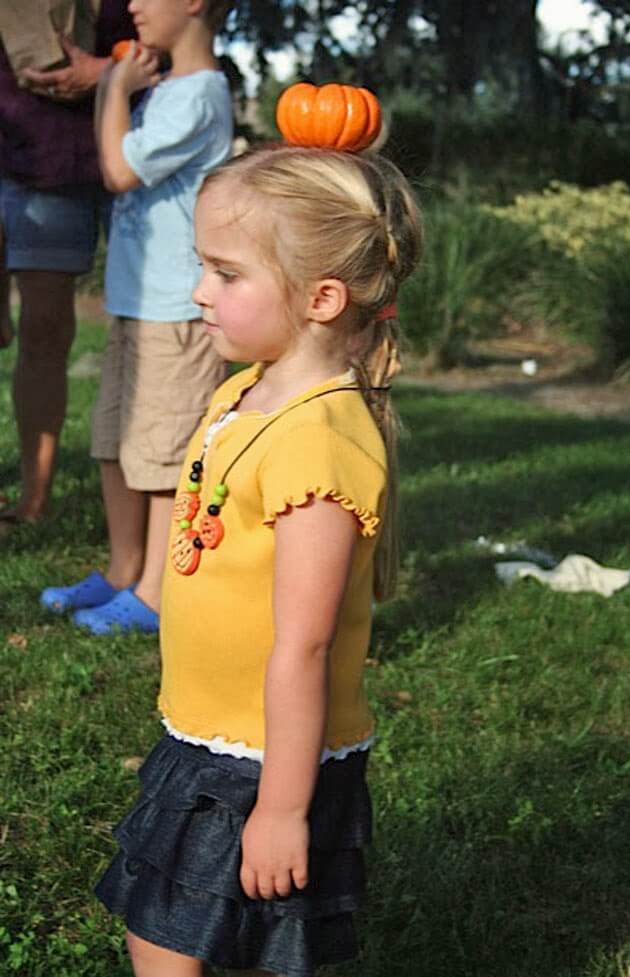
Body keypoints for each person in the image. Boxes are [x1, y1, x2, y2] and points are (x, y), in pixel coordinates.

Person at [94, 142, 423, 977]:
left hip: (261, 758)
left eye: (226, 273)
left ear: (321, 297)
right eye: (201, 266)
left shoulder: (319, 443)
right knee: (190, 929)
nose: (200, 290)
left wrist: (281, 807)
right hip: (211, 731)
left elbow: (304, 644)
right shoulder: (246, 388)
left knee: (175, 936)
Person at [40, 0, 232, 634]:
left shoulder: (200, 93)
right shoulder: (166, 89)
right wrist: (111, 89)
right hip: (134, 298)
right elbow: (112, 152)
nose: (133, 6)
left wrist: (116, 86)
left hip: (175, 307)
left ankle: (155, 592)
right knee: (117, 444)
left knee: (164, 454)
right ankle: (123, 571)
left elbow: (118, 171)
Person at [0, 1, 136, 524]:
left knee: (158, 333)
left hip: (143, 153)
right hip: (37, 156)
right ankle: (34, 501)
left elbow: (191, 33)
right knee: (43, 330)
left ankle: (166, 497)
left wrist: (105, 71)